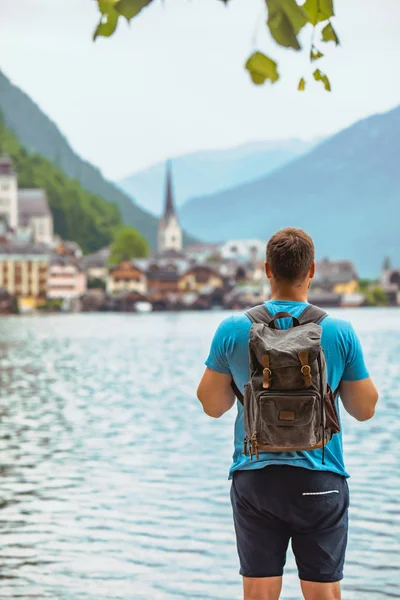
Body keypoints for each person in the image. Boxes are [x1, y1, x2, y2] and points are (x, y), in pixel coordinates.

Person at [197, 228, 378, 600]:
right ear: (311, 271)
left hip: (256, 481)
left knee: (260, 594)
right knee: (323, 595)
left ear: (267, 269)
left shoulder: (233, 329)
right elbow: (364, 409)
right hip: (321, 479)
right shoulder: (339, 331)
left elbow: (212, 406)